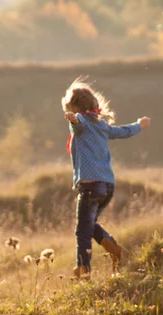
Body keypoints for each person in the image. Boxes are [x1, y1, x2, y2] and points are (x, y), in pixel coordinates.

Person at [62, 78, 151, 280]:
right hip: (107, 186)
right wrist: (139, 125)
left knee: (82, 231)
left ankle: (83, 269)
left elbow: (77, 126)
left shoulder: (81, 122)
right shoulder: (102, 125)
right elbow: (123, 131)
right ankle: (117, 252)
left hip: (90, 185)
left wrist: (74, 120)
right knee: (89, 224)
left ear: (76, 108)